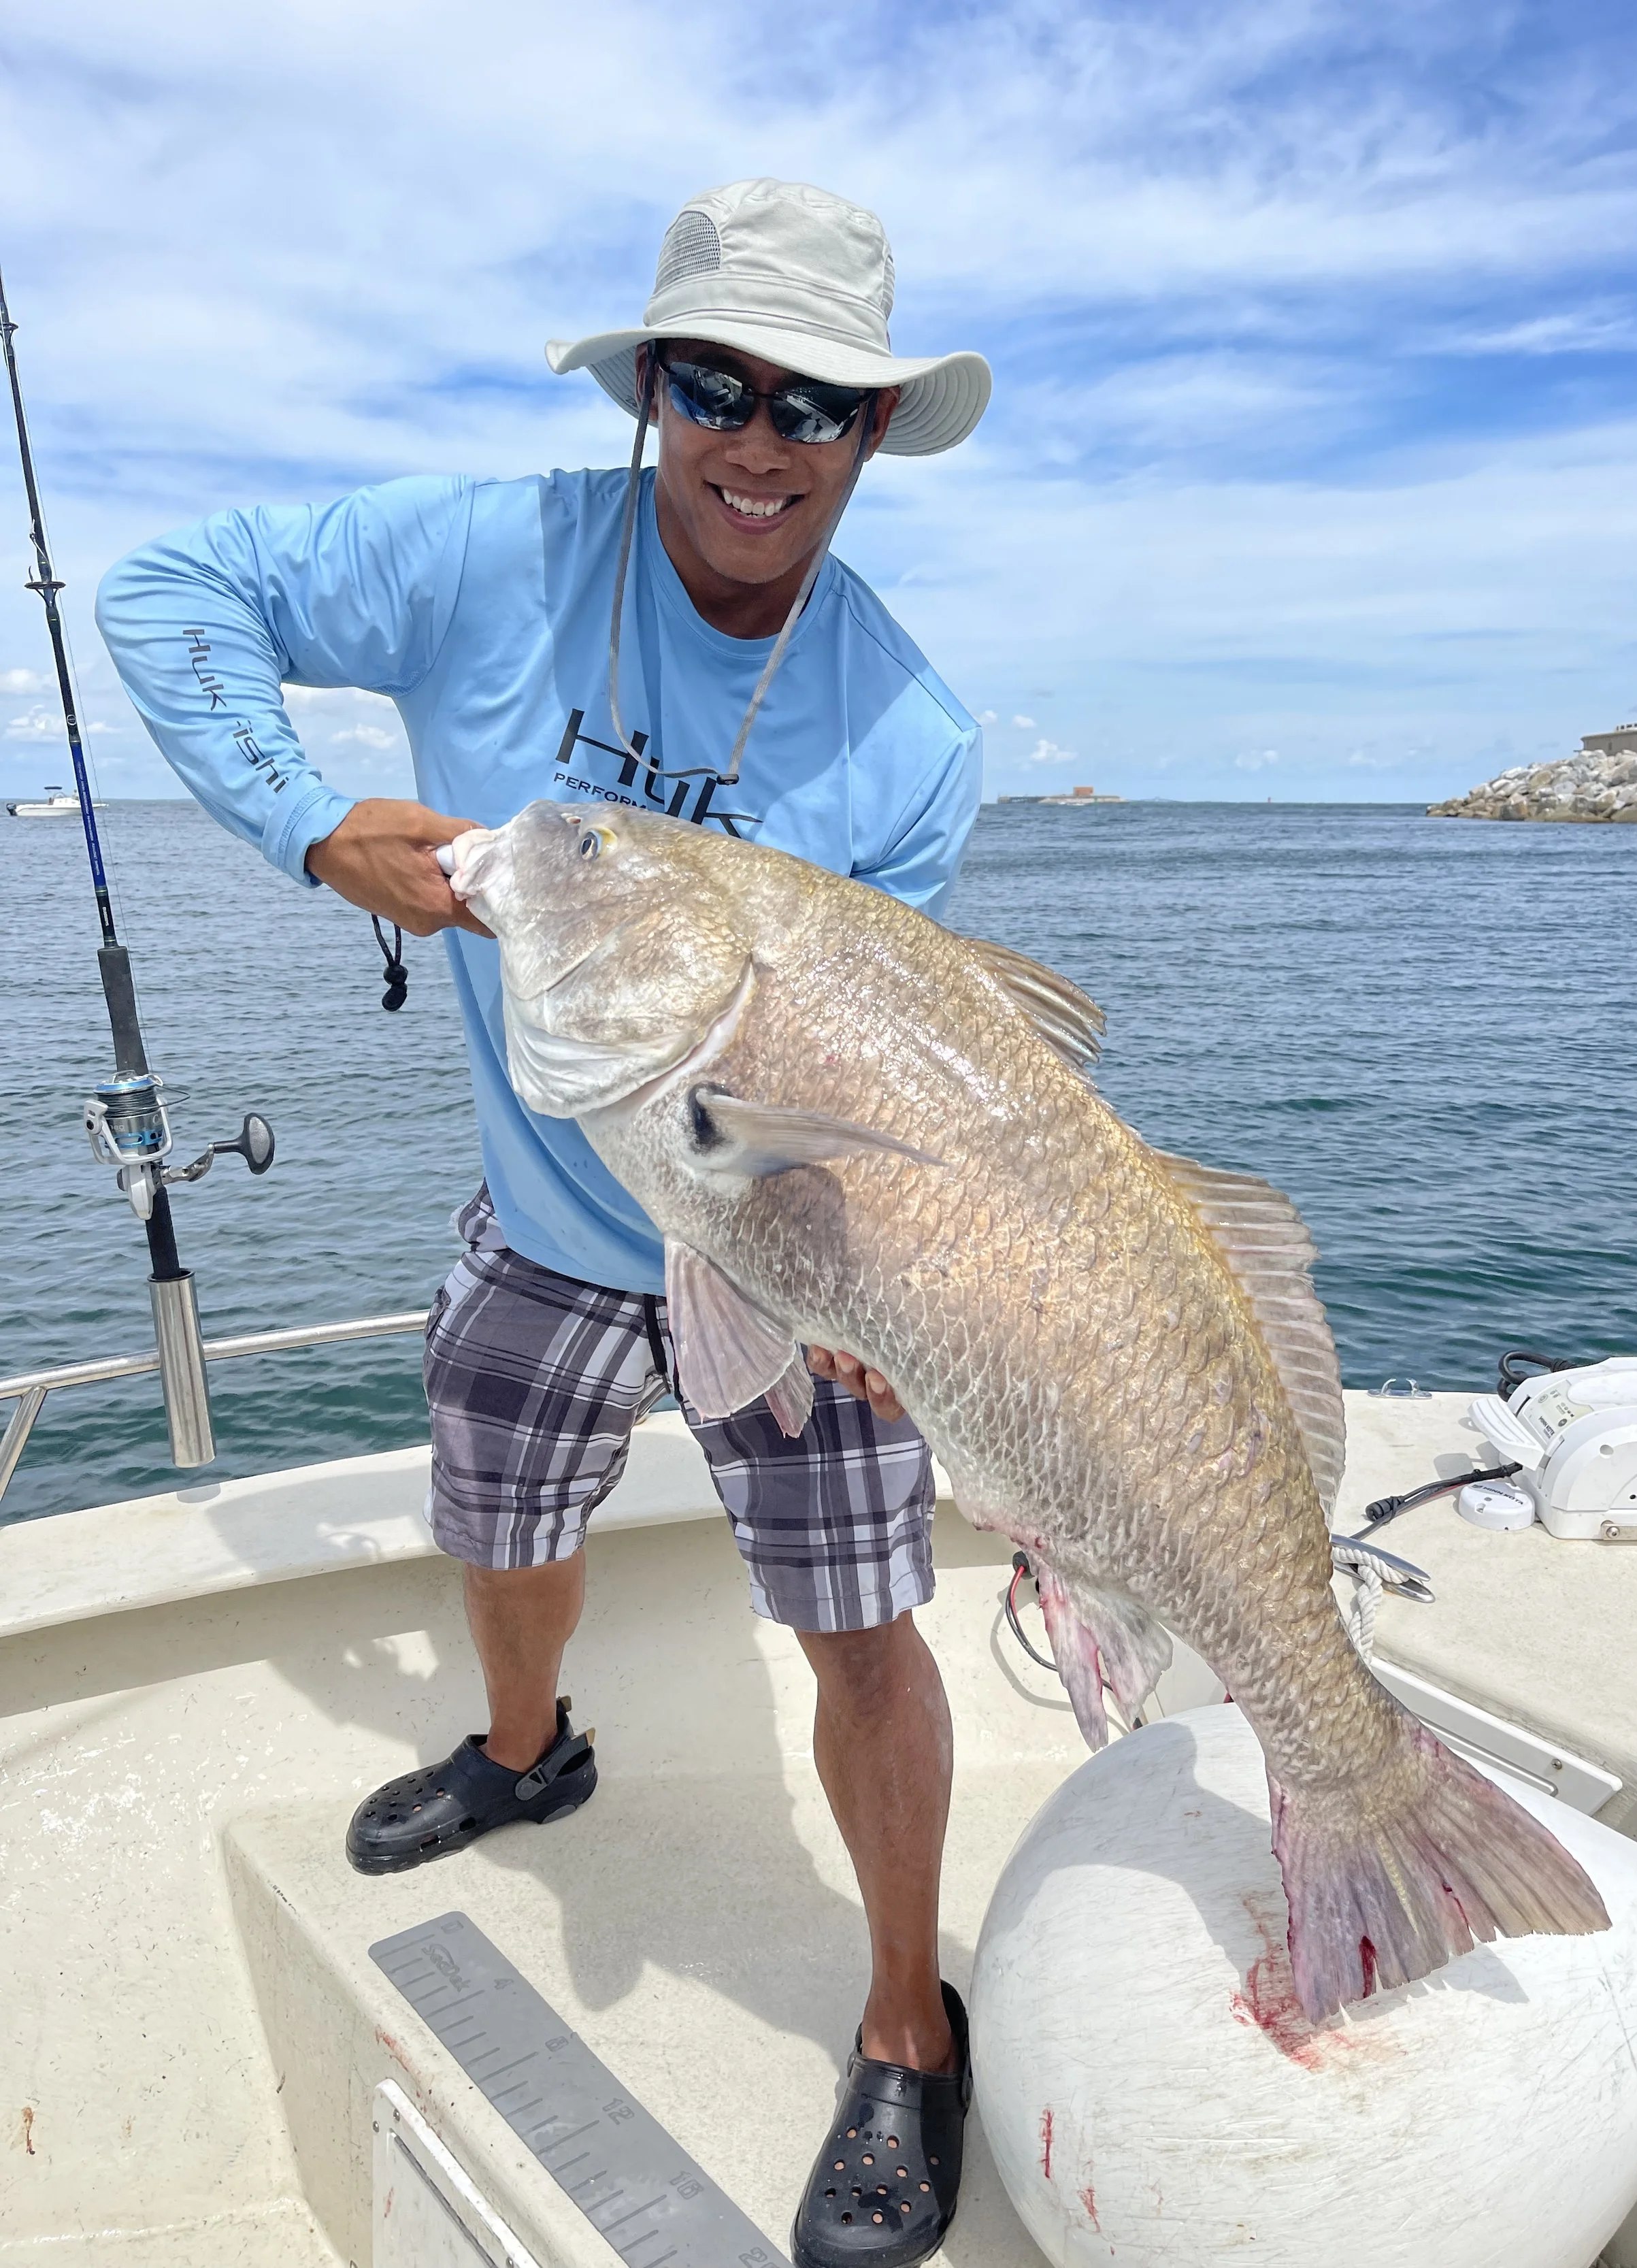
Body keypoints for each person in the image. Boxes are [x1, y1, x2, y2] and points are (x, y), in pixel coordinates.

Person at [97, 176, 991, 2268]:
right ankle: (525, 1754)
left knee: (861, 1623)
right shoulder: (490, 553)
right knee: (495, 1518)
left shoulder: (912, 736)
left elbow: (866, 1068)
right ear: (650, 392)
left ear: (873, 436)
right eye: (716, 382)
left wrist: (867, 1271)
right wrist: (303, 817)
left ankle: (901, 2022)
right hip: (542, 1207)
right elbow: (167, 588)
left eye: (816, 404)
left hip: (778, 1237)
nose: (757, 441)